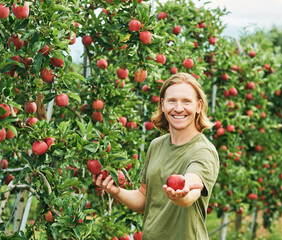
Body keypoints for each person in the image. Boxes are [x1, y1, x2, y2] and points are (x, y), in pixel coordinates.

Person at [93, 73, 219, 239]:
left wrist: (182, 193)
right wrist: (117, 191)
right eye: (172, 100)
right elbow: (144, 200)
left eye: (186, 101)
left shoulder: (203, 151)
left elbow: (191, 191)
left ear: (198, 106)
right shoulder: (156, 145)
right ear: (163, 104)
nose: (179, 108)